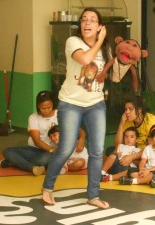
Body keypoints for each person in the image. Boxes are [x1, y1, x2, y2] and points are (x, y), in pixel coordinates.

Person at [42, 7, 111, 209]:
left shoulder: (106, 50)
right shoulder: (73, 42)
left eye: (93, 20)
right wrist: (101, 39)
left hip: (96, 103)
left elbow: (104, 74)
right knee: (65, 148)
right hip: (70, 103)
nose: (87, 23)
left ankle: (93, 195)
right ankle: (47, 187)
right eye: (84, 19)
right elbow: (86, 59)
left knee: (97, 151)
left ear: (99, 26)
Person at [0, 90, 58, 175]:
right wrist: (52, 149)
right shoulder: (33, 117)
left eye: (49, 107)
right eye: (43, 108)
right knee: (7, 151)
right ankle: (33, 168)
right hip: (35, 149)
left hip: (49, 153)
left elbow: (75, 131)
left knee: (43, 160)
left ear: (53, 104)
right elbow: (37, 142)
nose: (47, 110)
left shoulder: (60, 114)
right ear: (38, 106)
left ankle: (14, 161)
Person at [107, 96, 155, 166]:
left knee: (115, 157)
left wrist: (132, 157)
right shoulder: (128, 122)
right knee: (110, 150)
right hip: (138, 152)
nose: (127, 112)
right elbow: (118, 145)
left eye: (130, 109)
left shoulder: (150, 120)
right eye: (126, 109)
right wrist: (121, 124)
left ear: (139, 110)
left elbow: (153, 148)